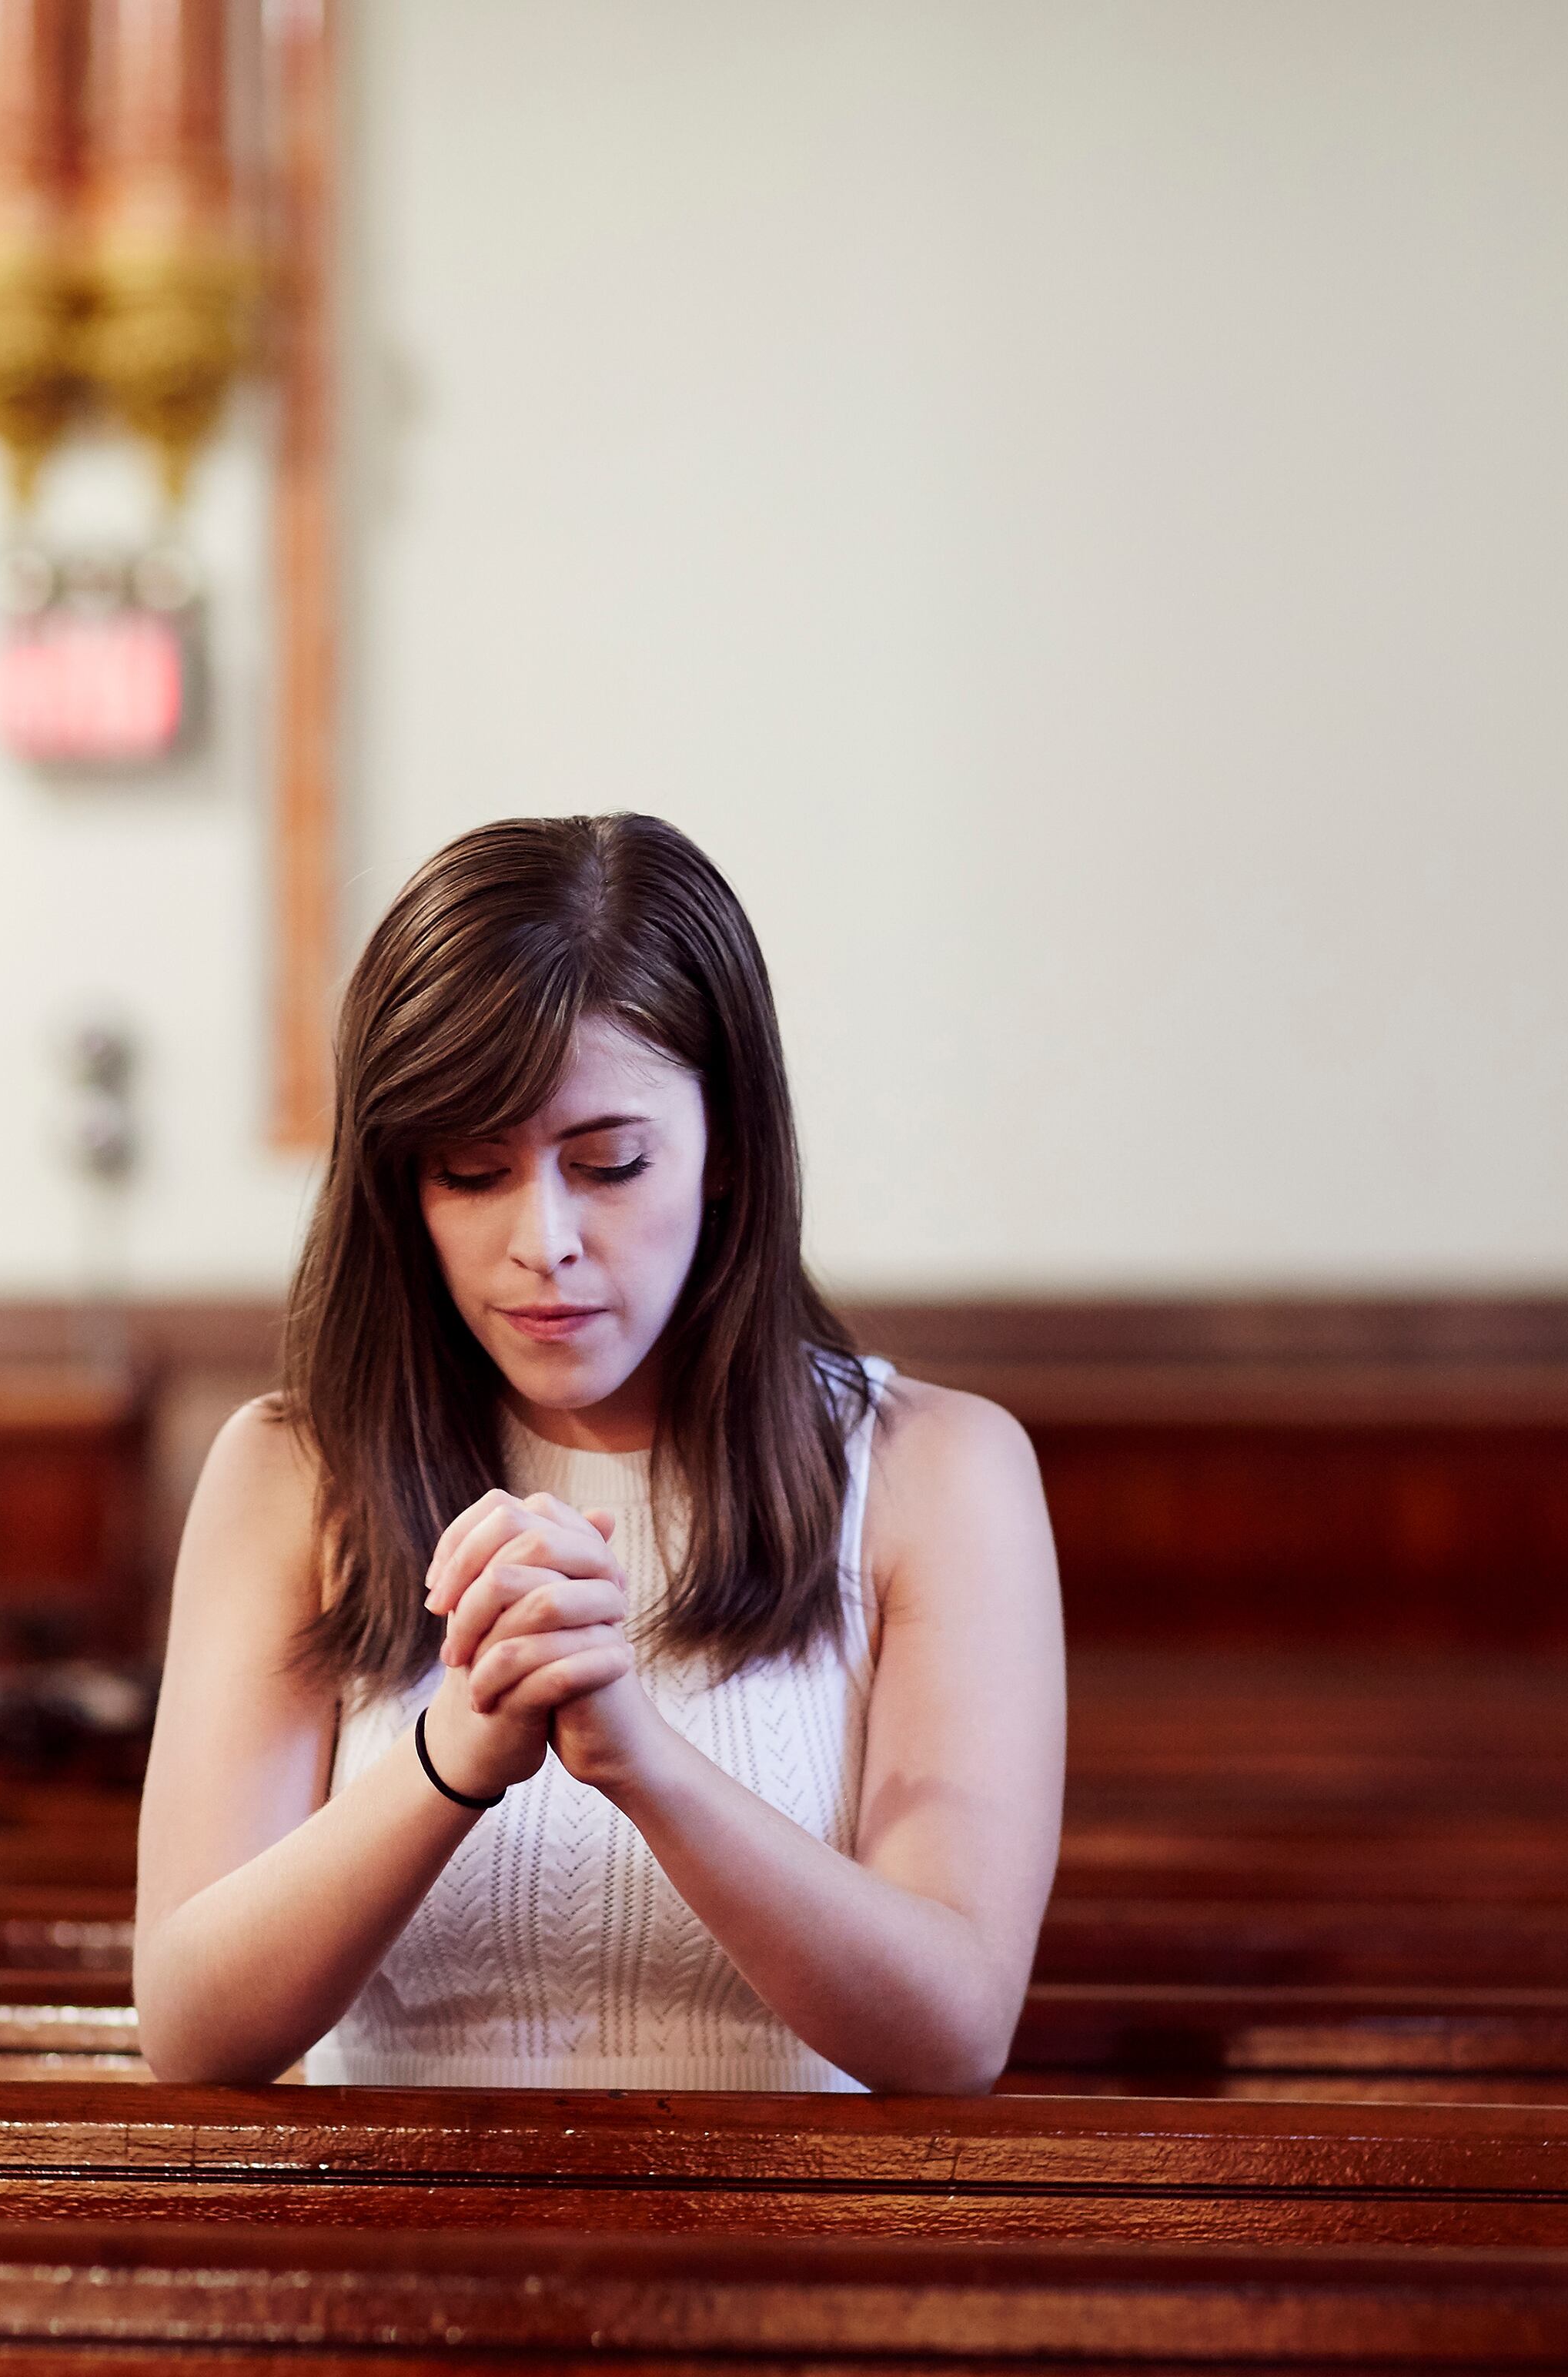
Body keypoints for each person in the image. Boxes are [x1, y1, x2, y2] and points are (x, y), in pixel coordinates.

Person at [133, 814, 1066, 2092]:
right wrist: (452, 1756)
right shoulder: (295, 1471)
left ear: (727, 1147)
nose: (545, 1239)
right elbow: (190, 2026)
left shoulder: (935, 1470)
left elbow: (953, 2031)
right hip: (379, 2256)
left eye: (610, 1162)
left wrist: (641, 1756)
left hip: (808, 2263)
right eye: (471, 1171)